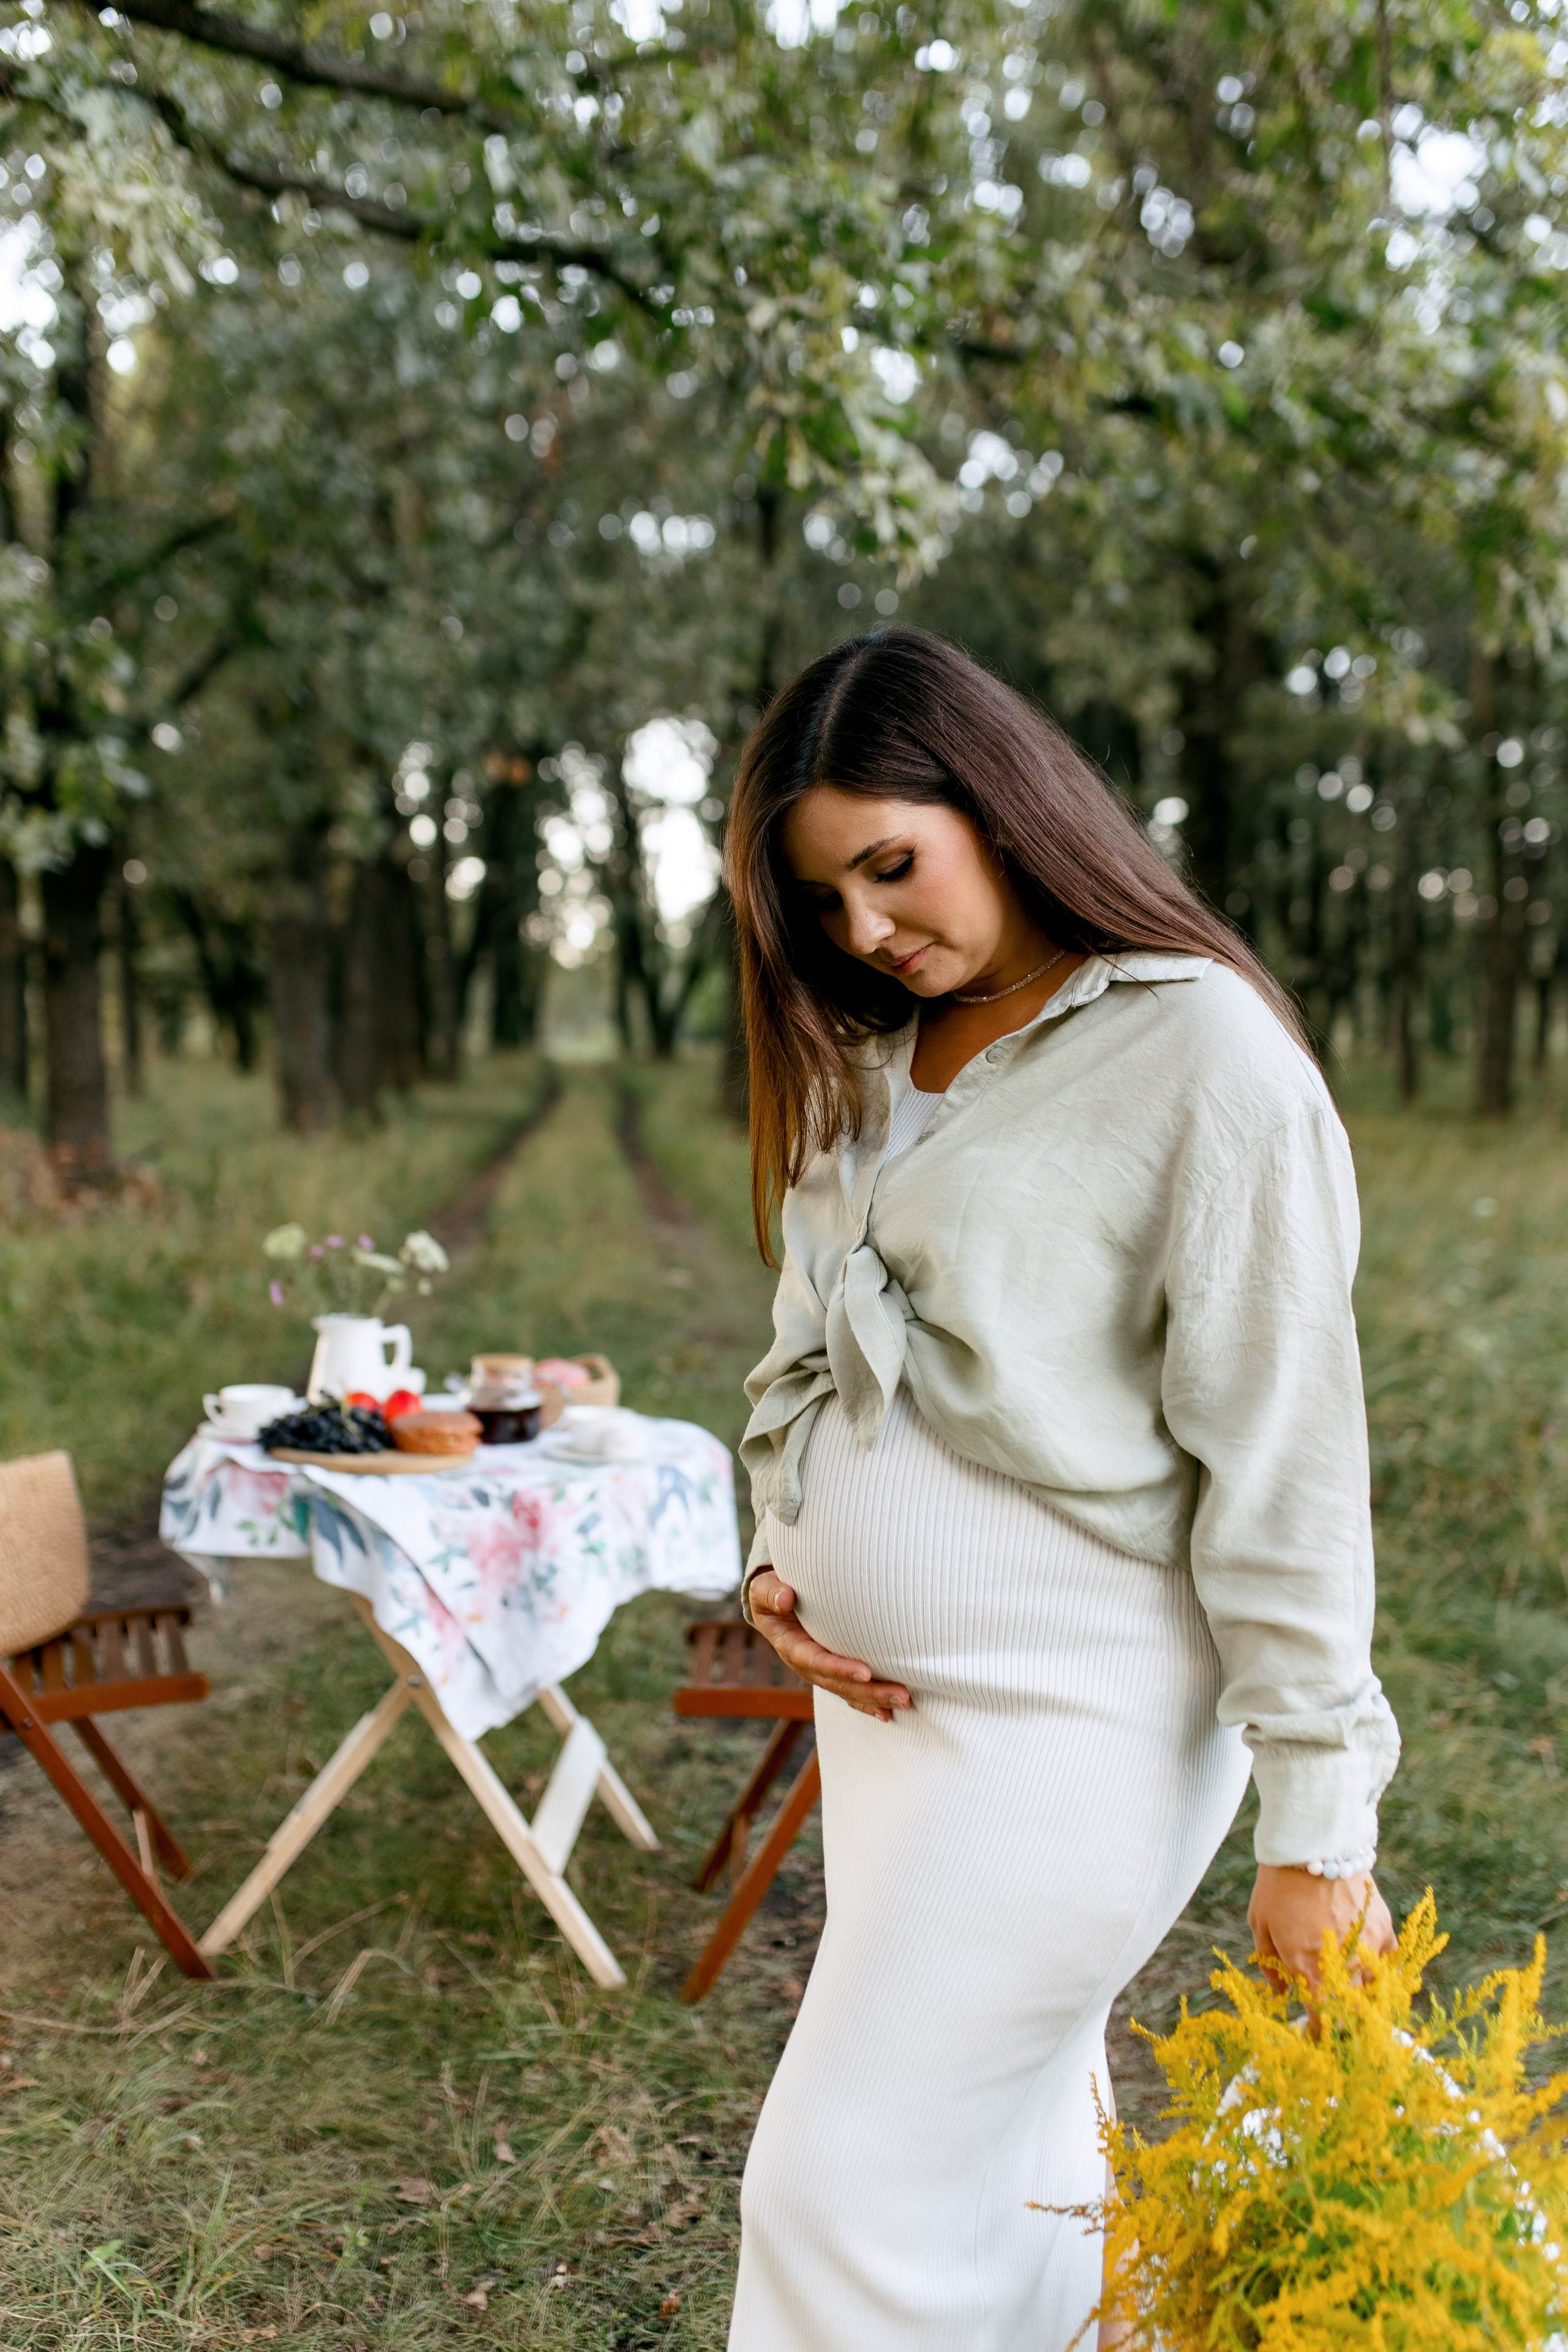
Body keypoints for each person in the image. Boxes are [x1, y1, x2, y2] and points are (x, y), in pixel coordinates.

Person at [720, 627, 1400, 2352]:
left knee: (833, 2183)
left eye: (893, 865)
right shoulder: (876, 1055)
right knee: (1014, 2168)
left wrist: (1318, 1826)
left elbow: (1291, 1455)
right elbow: (804, 1345)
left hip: (1076, 1717)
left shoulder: (1205, 1063)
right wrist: (779, 1558)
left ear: (1006, 807)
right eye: (826, 900)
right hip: (886, 1725)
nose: (866, 930)